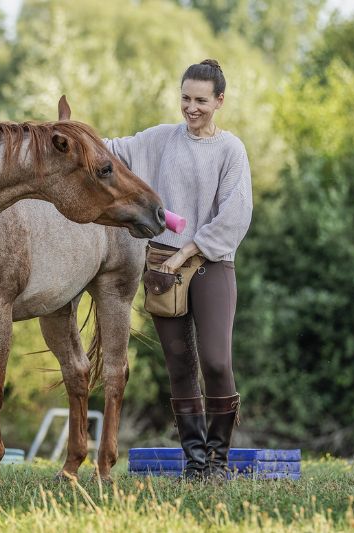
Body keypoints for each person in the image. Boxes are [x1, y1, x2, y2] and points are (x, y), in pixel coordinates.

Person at [104, 59, 253, 480]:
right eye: (185, 98)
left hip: (210, 264)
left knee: (216, 362)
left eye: (201, 100)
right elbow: (111, 150)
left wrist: (186, 250)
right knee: (179, 364)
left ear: (219, 101)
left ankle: (219, 461)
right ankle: (195, 463)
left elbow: (235, 215)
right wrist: (64, 137)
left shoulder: (231, 150)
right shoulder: (159, 140)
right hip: (161, 268)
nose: (191, 107)